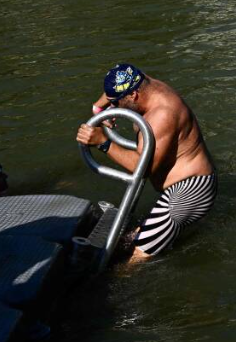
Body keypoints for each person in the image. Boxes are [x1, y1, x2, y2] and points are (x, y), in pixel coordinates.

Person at [76, 64, 216, 261]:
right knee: (125, 243)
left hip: (190, 191)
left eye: (116, 103)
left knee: (134, 258)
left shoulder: (162, 115)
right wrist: (98, 108)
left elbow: (141, 169)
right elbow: (115, 83)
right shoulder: (140, 81)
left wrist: (103, 143)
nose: (113, 107)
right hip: (178, 187)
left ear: (133, 96)